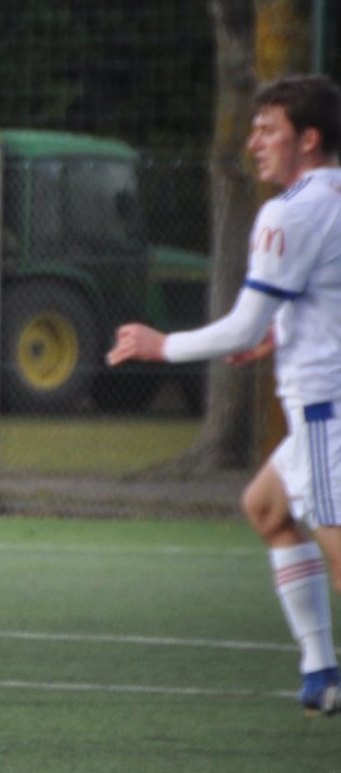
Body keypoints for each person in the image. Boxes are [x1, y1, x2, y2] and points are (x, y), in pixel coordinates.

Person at [110, 75, 341, 714]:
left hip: (326, 413)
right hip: (324, 410)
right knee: (266, 507)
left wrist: (163, 346)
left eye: (270, 129)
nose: (254, 141)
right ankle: (322, 669)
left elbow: (240, 324)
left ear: (310, 138)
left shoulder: (289, 211)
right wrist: (280, 339)